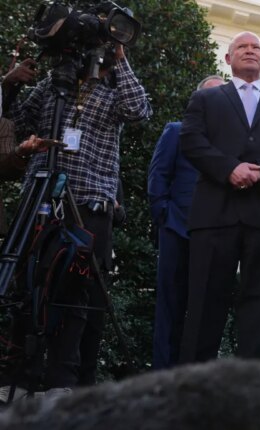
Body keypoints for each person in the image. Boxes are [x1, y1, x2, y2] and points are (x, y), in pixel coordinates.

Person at [5, 44, 151, 392]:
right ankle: (19, 375)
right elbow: (19, 122)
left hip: (90, 203)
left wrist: (120, 57)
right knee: (26, 285)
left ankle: (61, 381)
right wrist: (9, 84)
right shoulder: (53, 86)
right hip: (40, 193)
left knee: (76, 294)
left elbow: (139, 110)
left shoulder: (115, 88)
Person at [178, 32, 260, 366]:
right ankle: (195, 391)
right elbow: (191, 140)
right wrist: (229, 169)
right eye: (242, 47)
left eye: (256, 48)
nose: (250, 51)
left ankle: (247, 395)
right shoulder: (206, 100)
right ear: (228, 59)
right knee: (205, 304)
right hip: (215, 215)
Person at [148, 75, 225, 370]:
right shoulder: (176, 132)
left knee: (208, 309)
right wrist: (165, 217)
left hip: (217, 236)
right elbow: (158, 179)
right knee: (171, 306)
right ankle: (163, 375)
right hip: (177, 230)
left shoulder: (232, 144)